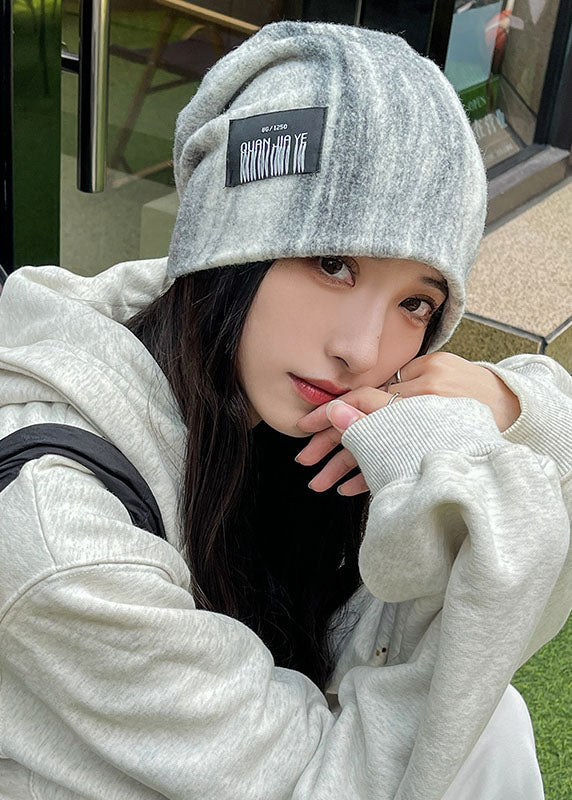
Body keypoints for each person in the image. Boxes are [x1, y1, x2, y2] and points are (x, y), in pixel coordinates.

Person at [0, 19, 570, 800]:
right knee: (482, 727)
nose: (362, 350)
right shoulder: (62, 534)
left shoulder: (240, 382)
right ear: (227, 251)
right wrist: (495, 520)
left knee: (494, 724)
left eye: (414, 302)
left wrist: (500, 402)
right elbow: (335, 784)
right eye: (332, 263)